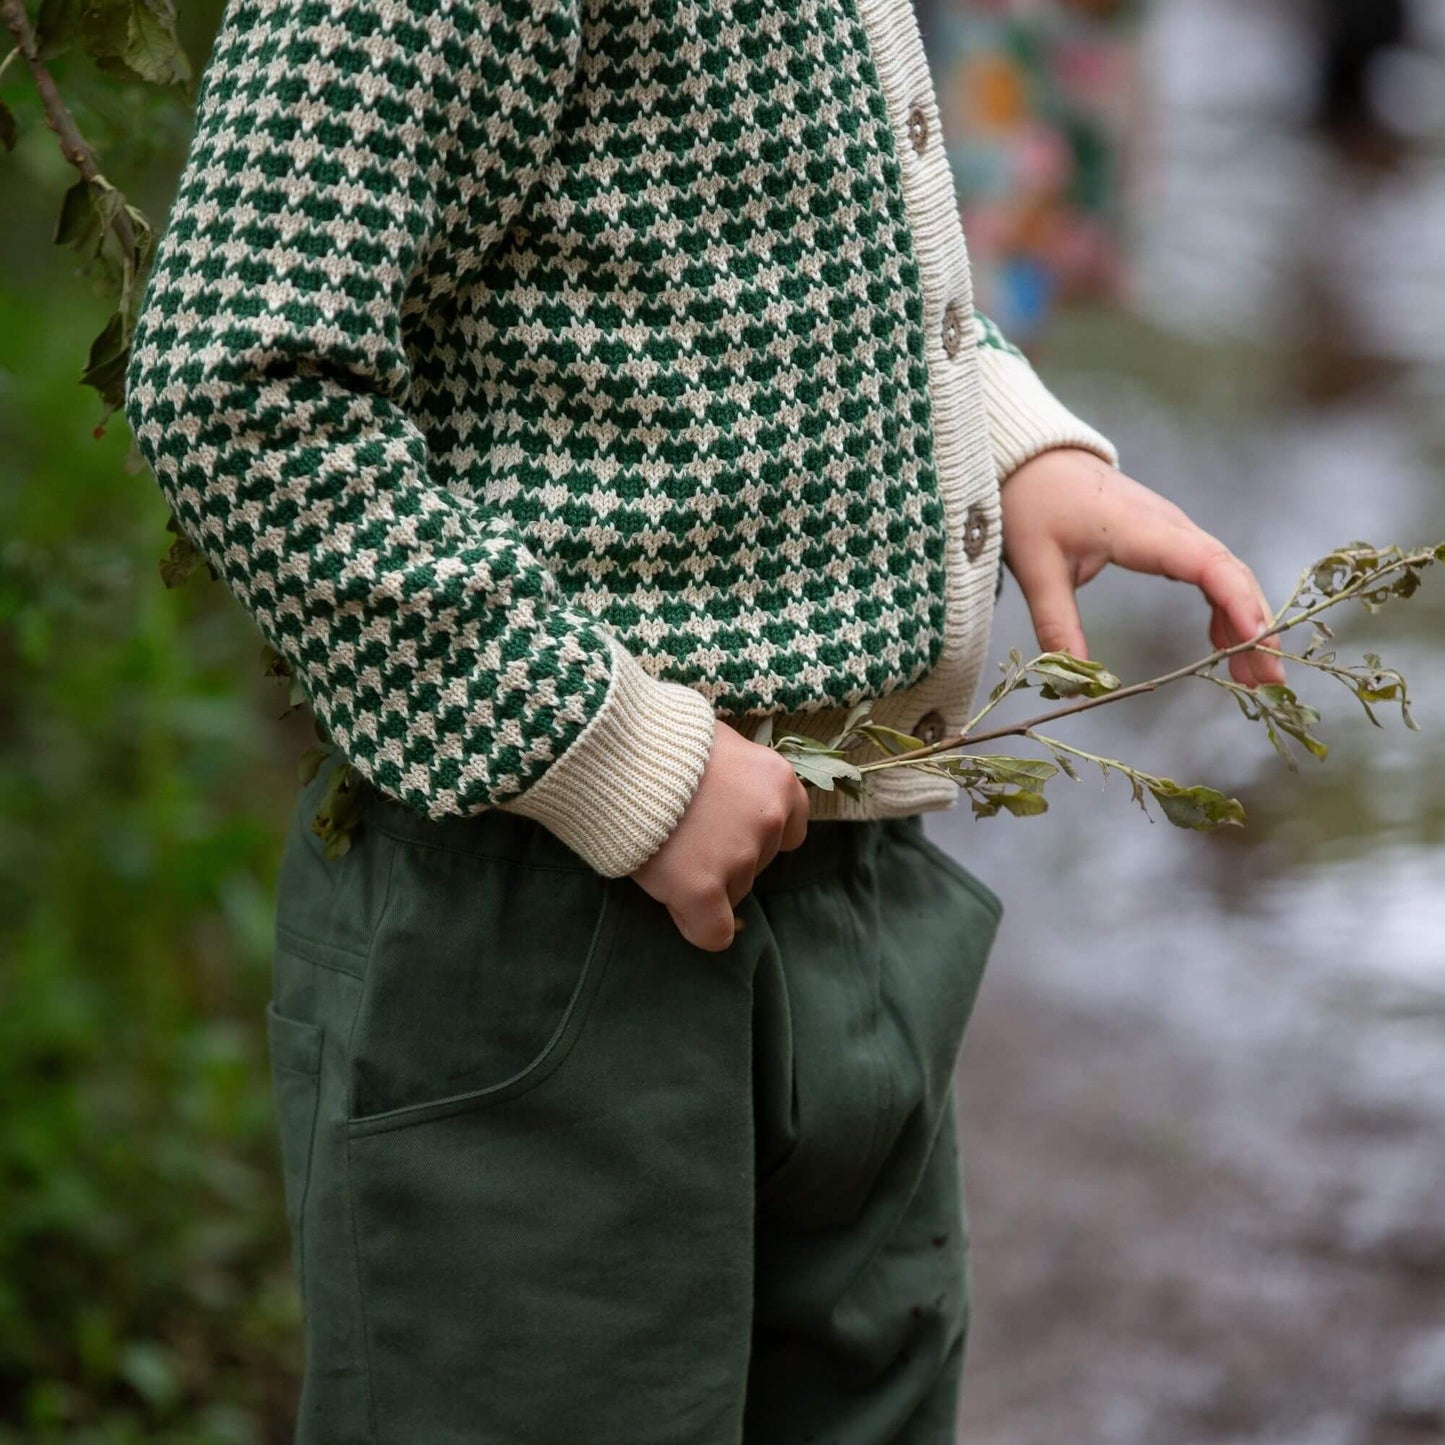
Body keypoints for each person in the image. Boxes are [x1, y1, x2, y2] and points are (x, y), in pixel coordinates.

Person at [121, 0, 1283, 1438]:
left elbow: (750, 226)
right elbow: (236, 376)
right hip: (542, 928)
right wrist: (598, 746)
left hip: (845, 877)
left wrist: (999, 432)